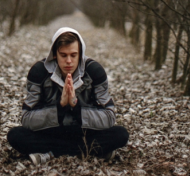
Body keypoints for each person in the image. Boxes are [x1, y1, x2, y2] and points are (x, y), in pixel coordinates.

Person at [7, 27, 129, 165]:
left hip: (85, 132)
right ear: (54, 55)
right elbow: (27, 119)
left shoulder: (95, 71)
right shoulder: (38, 72)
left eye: (73, 55)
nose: (69, 61)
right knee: (15, 135)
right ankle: (93, 151)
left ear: (81, 54)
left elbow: (109, 117)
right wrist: (60, 107)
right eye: (63, 55)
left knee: (120, 134)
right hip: (51, 132)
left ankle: (50, 153)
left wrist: (76, 107)